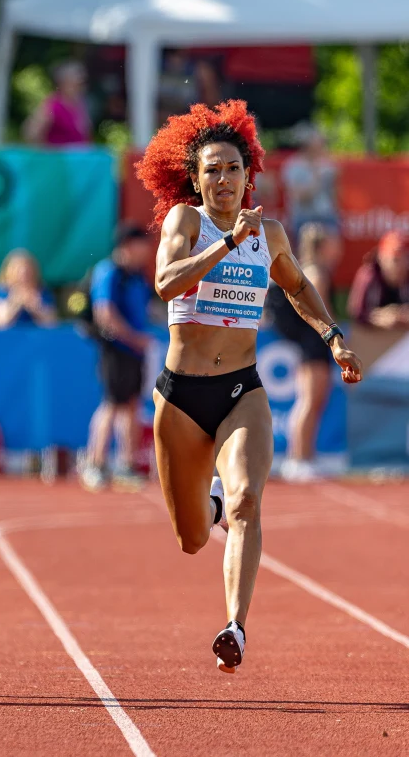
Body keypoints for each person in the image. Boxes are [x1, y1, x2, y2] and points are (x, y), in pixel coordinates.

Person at [134, 100, 363, 673]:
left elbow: (298, 286)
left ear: (248, 175)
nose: (223, 179)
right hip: (181, 396)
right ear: (195, 178)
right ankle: (205, 505)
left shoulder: (271, 232)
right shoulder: (186, 223)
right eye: (211, 169)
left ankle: (235, 624)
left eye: (232, 168)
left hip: (242, 389)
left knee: (247, 501)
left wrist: (333, 337)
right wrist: (228, 244)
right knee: (191, 537)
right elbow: (166, 283)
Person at [265, 224, 343, 481]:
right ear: (322, 245)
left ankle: (303, 456)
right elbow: (321, 314)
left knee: (313, 401)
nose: (338, 247)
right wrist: (336, 340)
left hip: (313, 343)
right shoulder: (317, 273)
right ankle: (298, 458)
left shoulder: (311, 270)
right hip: (315, 344)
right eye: (333, 242)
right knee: (310, 400)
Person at [79, 222, 155, 490]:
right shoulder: (109, 272)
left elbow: (147, 310)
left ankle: (126, 465)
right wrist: (135, 340)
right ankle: (95, 464)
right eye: (142, 244)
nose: (147, 249)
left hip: (135, 352)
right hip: (115, 350)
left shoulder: (138, 276)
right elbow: (105, 315)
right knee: (111, 405)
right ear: (128, 246)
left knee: (133, 406)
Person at [281, 123, 339, 237]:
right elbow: (297, 196)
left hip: (327, 216)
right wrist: (316, 178)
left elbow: (335, 195)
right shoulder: (293, 166)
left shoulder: (328, 165)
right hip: (305, 218)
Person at [347, 230, 409, 329]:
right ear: (381, 258)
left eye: (406, 258)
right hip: (374, 338)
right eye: (395, 260)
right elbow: (356, 312)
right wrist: (380, 317)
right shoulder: (369, 275)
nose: (402, 265)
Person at [22, 60, 92, 147]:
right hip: (58, 158)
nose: (81, 87)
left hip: (78, 158)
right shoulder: (53, 104)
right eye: (76, 83)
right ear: (63, 83)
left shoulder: (80, 104)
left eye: (82, 83)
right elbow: (31, 133)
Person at [0, 249, 57, 330]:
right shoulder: (0, 292)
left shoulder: (43, 293)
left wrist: (35, 306)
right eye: (18, 271)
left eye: (27, 272)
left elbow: (52, 323)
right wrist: (15, 303)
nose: (23, 276)